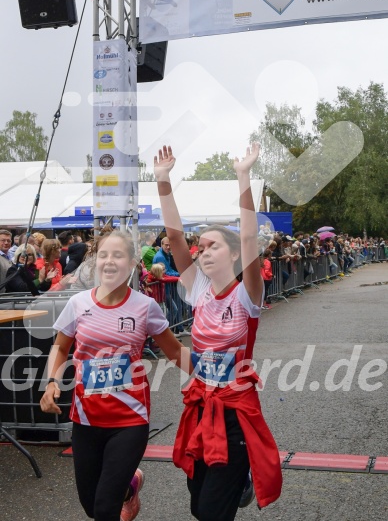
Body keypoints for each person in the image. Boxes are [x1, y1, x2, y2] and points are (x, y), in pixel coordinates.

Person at [154, 144, 282, 520]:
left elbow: (248, 239)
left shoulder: (247, 295)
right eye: (200, 247)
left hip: (235, 412)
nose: (202, 252)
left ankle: (238, 476)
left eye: (213, 246)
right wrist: (163, 182)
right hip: (199, 408)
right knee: (198, 506)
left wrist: (243, 176)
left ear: (233, 254)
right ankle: (236, 482)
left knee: (211, 512)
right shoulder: (197, 290)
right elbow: (175, 238)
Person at [40, 231, 191, 521]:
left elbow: (175, 352)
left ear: (132, 263)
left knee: (104, 509)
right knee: (90, 503)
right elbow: (60, 347)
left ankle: (120, 490)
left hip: (129, 419)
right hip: (86, 418)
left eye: (118, 255)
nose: (109, 261)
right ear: (95, 261)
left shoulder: (145, 307)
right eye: (104, 255)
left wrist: (219, 376)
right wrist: (51, 383)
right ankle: (129, 488)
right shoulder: (78, 304)